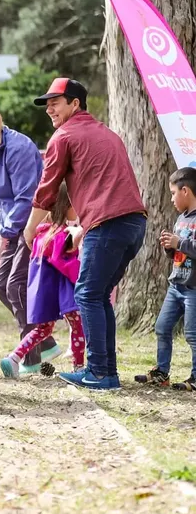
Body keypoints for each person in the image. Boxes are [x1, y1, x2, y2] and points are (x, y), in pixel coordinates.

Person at [24, 78, 146, 391]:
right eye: (47, 103)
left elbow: (48, 188)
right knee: (98, 295)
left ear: (75, 103)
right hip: (135, 224)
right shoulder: (107, 133)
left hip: (106, 225)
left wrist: (29, 229)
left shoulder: (63, 135)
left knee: (88, 295)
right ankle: (107, 373)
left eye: (56, 101)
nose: (49, 107)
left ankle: (98, 373)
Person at [0, 96, 57, 375]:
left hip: (33, 224)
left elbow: (26, 197)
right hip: (10, 227)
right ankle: (45, 341)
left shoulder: (18, 147)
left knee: (16, 285)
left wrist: (3, 236)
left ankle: (29, 355)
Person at [1, 183, 84, 378]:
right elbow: (64, 261)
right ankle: (79, 368)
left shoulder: (42, 234)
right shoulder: (60, 235)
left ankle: (14, 358)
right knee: (78, 326)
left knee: (42, 330)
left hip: (43, 292)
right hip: (62, 293)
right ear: (67, 205)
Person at [136, 167, 196, 390]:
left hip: (193, 288)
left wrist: (178, 243)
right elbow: (180, 251)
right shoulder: (181, 218)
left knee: (192, 334)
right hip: (176, 285)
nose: (171, 198)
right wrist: (169, 249)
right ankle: (162, 372)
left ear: (185, 191)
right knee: (162, 327)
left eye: (173, 193)